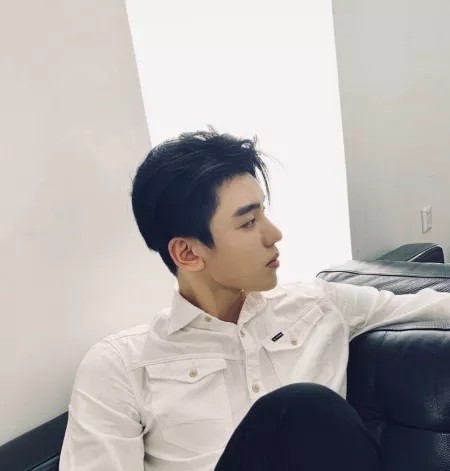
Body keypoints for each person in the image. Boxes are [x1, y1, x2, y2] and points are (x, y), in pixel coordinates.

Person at [60, 127, 450, 470]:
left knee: (307, 408)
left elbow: (429, 304)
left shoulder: (317, 304)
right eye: (248, 222)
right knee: (301, 407)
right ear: (188, 253)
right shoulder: (120, 366)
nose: (273, 234)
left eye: (264, 214)